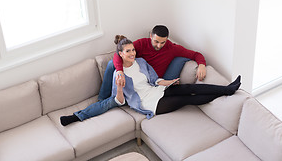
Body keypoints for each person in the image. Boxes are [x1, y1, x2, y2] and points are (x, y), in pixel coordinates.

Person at [60, 25, 216, 125]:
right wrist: (120, 72)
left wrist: (201, 64)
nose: (159, 46)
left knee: (186, 88)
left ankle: (224, 90)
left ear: (167, 40)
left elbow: (195, 54)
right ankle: (80, 114)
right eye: (156, 42)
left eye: (163, 42)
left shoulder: (145, 60)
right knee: (108, 99)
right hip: (135, 90)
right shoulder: (139, 47)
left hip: (154, 80)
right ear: (150, 36)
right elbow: (117, 57)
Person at [111, 35, 241, 119]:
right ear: (120, 54)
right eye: (128, 51)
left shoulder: (140, 62)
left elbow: (155, 80)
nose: (132, 53)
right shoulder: (118, 74)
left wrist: (169, 82)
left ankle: (227, 89)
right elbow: (120, 101)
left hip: (156, 90)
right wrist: (119, 88)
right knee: (186, 99)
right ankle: (226, 92)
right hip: (149, 103)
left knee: (189, 88)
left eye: (133, 50)